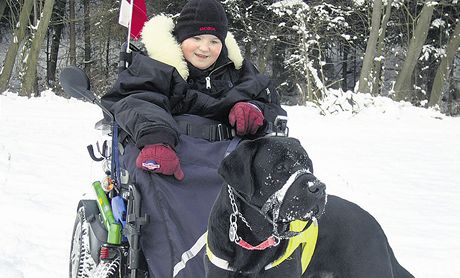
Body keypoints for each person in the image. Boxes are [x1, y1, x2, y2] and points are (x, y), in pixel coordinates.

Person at [101, 0, 287, 277]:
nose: (205, 47)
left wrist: (253, 110)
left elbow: (269, 103)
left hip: (229, 151)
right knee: (159, 180)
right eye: (196, 38)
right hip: (168, 146)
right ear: (180, 38)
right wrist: (156, 137)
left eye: (214, 40)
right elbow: (138, 101)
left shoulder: (239, 73)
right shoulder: (155, 66)